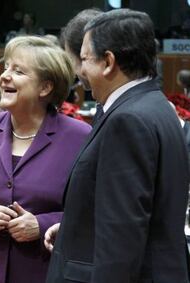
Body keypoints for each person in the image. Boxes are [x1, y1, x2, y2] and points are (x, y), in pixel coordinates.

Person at [45, 9, 190, 283]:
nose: (80, 71)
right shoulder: (156, 105)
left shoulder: (127, 120)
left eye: (85, 59)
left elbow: (122, 236)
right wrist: (73, 230)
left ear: (108, 61)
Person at [0, 36, 91, 283]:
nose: (4, 77)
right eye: (6, 67)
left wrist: (42, 225)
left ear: (45, 88)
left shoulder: (79, 137)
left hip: (45, 274)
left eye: (18, 70)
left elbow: (91, 214)